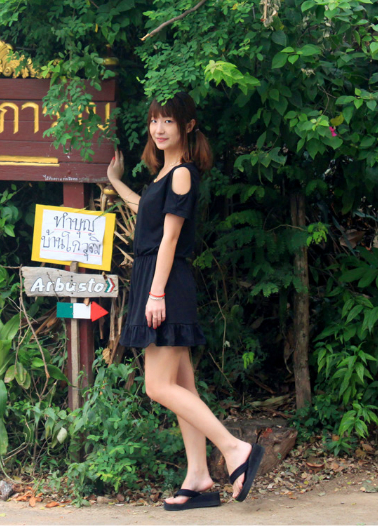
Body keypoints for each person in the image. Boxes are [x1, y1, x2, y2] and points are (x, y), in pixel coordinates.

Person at [105, 91, 265, 511]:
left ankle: (235, 449)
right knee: (182, 386)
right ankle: (198, 476)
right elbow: (146, 213)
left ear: (188, 126)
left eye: (169, 121)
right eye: (154, 120)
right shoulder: (165, 173)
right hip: (156, 279)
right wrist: (116, 181)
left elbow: (170, 239)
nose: (158, 129)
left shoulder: (182, 174)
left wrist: (156, 293)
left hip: (166, 284)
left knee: (157, 386)